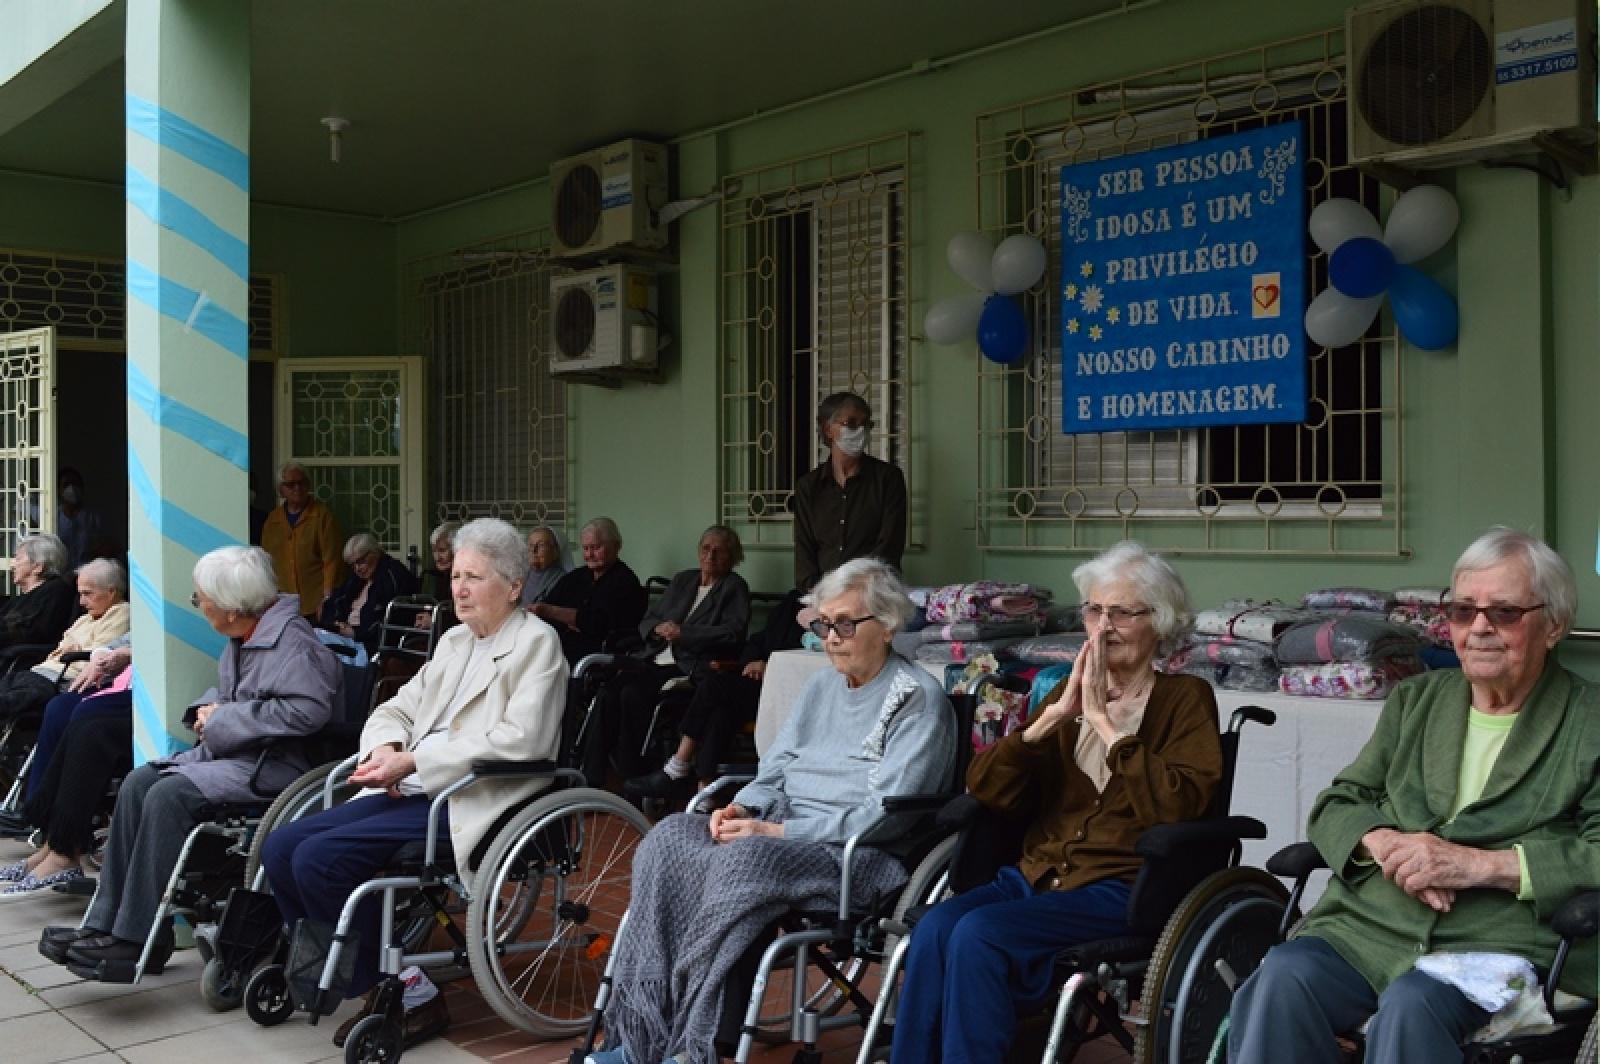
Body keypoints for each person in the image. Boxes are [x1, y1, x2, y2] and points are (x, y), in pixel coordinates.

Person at [1229, 527, 1599, 1064]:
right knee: (1281, 977)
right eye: (1464, 610)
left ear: (1554, 626)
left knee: (1412, 1006)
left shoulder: (1589, 721)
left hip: (1501, 944)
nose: (1478, 629)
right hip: (1374, 928)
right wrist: (1381, 843)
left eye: (1504, 613)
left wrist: (1476, 866)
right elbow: (1338, 802)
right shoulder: (1416, 701)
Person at [588, 557, 957, 1064]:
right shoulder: (821, 687)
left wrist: (777, 830)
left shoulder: (917, 700)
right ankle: (643, 1032)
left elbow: (885, 814)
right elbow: (776, 768)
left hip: (857, 857)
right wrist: (743, 806)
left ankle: (694, 1044)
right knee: (669, 837)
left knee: (746, 860)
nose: (830, 637)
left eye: (845, 624)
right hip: (780, 838)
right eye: (824, 624)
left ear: (889, 625)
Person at [890, 541, 1221, 1064]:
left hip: (1117, 888)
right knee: (934, 929)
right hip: (1035, 877)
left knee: (980, 935)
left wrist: (1110, 730)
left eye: (1121, 612)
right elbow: (987, 788)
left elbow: (1181, 806)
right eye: (1094, 610)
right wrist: (1046, 724)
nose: (1103, 625)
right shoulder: (1063, 693)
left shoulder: (1185, 700)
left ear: (1158, 621)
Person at [261, 518, 569, 1050]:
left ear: (514, 586)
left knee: (318, 859)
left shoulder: (537, 645)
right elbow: (399, 706)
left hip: (475, 797)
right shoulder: (454, 641)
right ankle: (348, 972)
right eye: (457, 576)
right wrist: (384, 748)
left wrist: (416, 761)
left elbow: (524, 740)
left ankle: (403, 988)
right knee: (281, 844)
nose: (460, 588)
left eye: (475, 577)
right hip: (415, 783)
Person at [37, 545, 340, 978]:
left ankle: (136, 937)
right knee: (138, 782)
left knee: (167, 796)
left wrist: (224, 718)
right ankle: (108, 923)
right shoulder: (246, 635)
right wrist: (204, 711)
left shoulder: (295, 645)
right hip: (234, 755)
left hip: (272, 767)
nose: (199, 605)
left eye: (202, 599)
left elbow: (307, 713)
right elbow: (230, 692)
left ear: (232, 608)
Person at [583, 526, 750, 786]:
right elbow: (649, 618)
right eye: (706, 549)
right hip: (653, 656)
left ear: (732, 557)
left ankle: (633, 774)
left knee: (632, 694)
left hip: (688, 666)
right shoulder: (683, 580)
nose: (711, 556)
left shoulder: (734, 587)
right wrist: (656, 629)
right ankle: (590, 778)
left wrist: (685, 633)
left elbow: (733, 633)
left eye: (719, 551)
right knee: (607, 693)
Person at [625, 587, 806, 805]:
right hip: (756, 681)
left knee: (713, 686)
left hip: (785, 689)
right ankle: (705, 792)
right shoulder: (793, 602)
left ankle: (678, 765)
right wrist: (751, 661)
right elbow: (757, 640)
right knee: (720, 712)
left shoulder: (830, 615)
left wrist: (770, 665)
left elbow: (808, 659)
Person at [0, 651, 134, 895]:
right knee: (60, 708)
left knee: (90, 724)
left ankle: (64, 851)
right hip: (122, 679)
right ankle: (50, 840)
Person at [791, 392, 907, 592]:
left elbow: (889, 545)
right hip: (822, 596)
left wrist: (857, 590)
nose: (861, 431)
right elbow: (804, 550)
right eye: (851, 423)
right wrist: (817, 593)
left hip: (873, 593)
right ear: (828, 429)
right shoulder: (808, 486)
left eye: (866, 424)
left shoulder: (888, 478)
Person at [0, 557, 128, 723]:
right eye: (80, 594)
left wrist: (74, 648)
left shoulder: (121, 614)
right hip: (39, 672)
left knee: (14, 700)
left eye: (88, 594)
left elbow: (100, 654)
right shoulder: (85, 619)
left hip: (60, 679)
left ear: (111, 592)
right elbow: (61, 647)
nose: (81, 602)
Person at [530, 516, 646, 665]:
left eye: (596, 548)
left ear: (616, 546)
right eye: (586, 548)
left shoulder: (625, 581)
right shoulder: (576, 577)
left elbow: (598, 625)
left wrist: (555, 613)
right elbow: (547, 606)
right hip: (557, 646)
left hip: (595, 656)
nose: (589, 554)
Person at [261, 461, 345, 621]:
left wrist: (327, 598)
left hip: (315, 602)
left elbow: (332, 561)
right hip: (283, 603)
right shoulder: (273, 520)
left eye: (301, 483)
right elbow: (266, 562)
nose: (297, 488)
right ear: (281, 489)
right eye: (291, 484)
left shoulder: (322, 516)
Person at [320, 533, 419, 653]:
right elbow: (337, 600)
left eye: (361, 561)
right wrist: (335, 623)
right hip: (346, 637)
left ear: (375, 553)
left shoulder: (392, 575)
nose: (357, 568)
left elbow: (386, 619)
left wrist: (355, 633)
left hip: (368, 645)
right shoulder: (356, 579)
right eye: (353, 565)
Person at [0, 533, 75, 650]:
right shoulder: (23, 597)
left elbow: (35, 633)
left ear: (38, 567)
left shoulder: (56, 592)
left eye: (18, 558)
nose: (12, 565)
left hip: (23, 660)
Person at [56, 467, 110, 569]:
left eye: (76, 484)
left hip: (88, 573)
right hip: (61, 575)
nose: (71, 488)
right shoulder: (53, 516)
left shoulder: (94, 518)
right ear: (58, 489)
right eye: (66, 484)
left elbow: (107, 547)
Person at [519, 524, 569, 609]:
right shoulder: (520, 574)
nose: (533, 550)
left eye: (541, 545)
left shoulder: (564, 580)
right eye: (531, 545)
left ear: (556, 552)